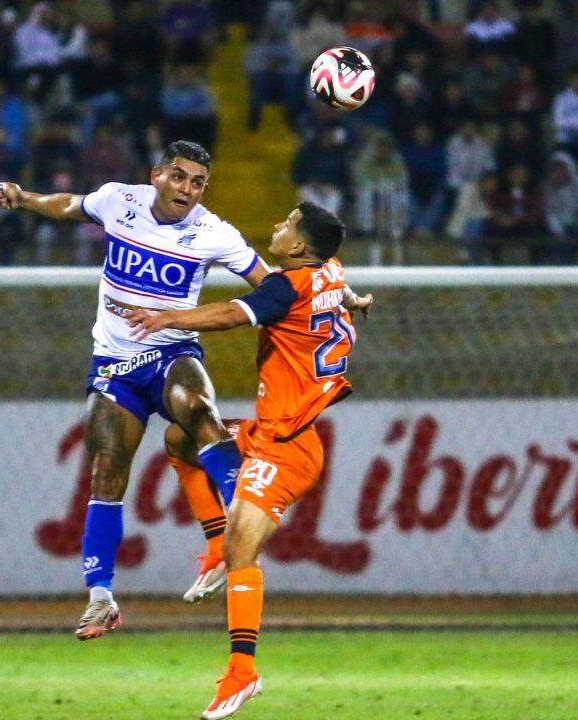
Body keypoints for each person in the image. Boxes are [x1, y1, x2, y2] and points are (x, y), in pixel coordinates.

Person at [0, 141, 269, 639]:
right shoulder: (121, 200)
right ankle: (100, 598)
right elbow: (73, 206)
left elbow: (267, 286)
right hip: (114, 363)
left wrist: (325, 298)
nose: (188, 189)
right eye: (179, 177)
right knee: (107, 470)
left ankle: (237, 521)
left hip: (171, 354)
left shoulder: (214, 233)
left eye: (198, 182)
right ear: (157, 175)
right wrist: (27, 199)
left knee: (198, 409)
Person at [125, 203, 370, 720]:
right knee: (180, 438)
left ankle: (242, 672)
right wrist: (355, 300)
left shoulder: (288, 287)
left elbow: (232, 315)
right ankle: (215, 544)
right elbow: (338, 287)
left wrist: (169, 316)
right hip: (270, 432)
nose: (278, 226)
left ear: (301, 246)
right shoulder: (329, 271)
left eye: (287, 223)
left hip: (288, 444)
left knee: (246, 549)